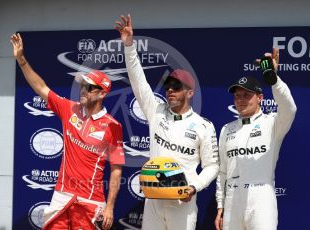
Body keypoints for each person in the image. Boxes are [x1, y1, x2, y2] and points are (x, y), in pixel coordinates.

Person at [10, 33, 125, 230]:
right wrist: (21, 60)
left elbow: (116, 170)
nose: (83, 90)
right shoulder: (69, 108)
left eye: (89, 88)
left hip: (91, 201)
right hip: (62, 196)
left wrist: (110, 208)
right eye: (82, 86)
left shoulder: (112, 126)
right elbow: (41, 88)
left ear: (102, 93)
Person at [115, 15, 219, 230]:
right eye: (168, 85)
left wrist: (194, 186)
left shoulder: (203, 126)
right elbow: (138, 82)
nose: (170, 90)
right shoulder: (157, 111)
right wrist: (128, 46)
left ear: (189, 93)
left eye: (177, 86)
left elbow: (212, 166)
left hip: (182, 201)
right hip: (153, 200)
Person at [215, 48, 297, 230]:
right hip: (232, 200)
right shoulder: (227, 129)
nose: (241, 99)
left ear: (260, 97)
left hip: (261, 198)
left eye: (246, 95)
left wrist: (273, 79)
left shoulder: (273, 123)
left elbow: (290, 108)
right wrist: (220, 205)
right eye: (237, 95)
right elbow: (222, 172)